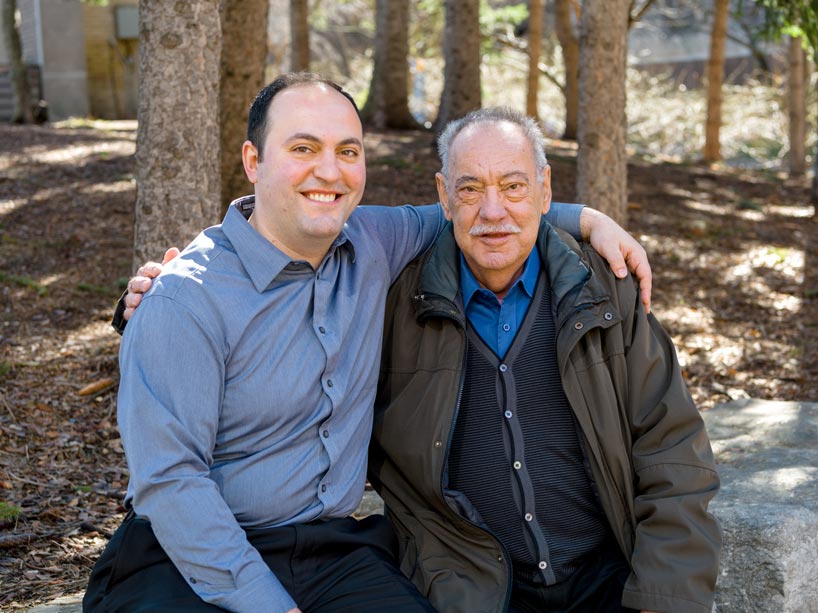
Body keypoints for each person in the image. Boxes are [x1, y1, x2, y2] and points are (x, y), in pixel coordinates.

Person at [90, 73, 654, 613]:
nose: (329, 172)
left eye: (348, 151)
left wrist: (589, 219)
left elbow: (479, 207)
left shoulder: (374, 240)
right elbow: (171, 482)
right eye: (303, 149)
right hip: (183, 557)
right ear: (253, 161)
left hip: (333, 553)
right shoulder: (187, 298)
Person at [368, 107, 721, 613]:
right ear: (444, 197)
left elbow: (673, 451)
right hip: (469, 589)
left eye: (513, 187)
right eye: (470, 190)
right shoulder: (395, 308)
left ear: (544, 190)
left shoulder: (603, 289)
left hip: (609, 578)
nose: (493, 212)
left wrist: (665, 597)